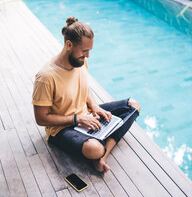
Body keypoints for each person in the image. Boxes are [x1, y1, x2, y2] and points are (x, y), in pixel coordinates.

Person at [32, 16, 140, 173]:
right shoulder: (46, 77)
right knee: (94, 149)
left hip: (87, 116)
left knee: (133, 106)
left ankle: (103, 155)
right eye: (84, 51)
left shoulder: (80, 61)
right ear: (69, 45)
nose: (87, 56)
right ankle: (100, 152)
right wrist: (77, 119)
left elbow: (83, 88)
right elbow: (41, 118)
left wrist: (95, 107)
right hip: (62, 129)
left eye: (89, 51)